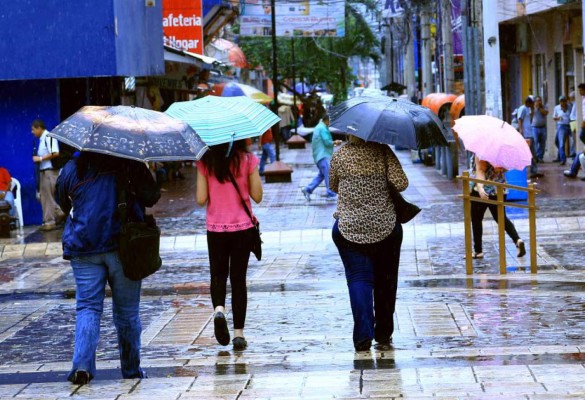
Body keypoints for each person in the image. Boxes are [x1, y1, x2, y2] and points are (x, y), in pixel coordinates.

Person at [56, 152, 160, 385]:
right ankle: (131, 370)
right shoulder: (129, 163)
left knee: (88, 307)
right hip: (123, 248)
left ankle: (82, 366)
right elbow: (151, 196)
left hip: (83, 246)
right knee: (127, 312)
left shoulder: (74, 167)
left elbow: (63, 200)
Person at [329, 136, 407, 352]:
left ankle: (362, 336)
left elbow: (333, 185)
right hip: (385, 225)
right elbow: (402, 183)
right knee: (385, 280)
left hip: (349, 228)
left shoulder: (340, 154)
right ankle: (383, 332)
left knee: (359, 279)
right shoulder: (383, 151)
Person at [196, 139, 263, 351]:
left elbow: (200, 198)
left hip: (215, 228)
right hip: (242, 228)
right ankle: (239, 334)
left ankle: (219, 310)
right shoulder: (247, 160)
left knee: (218, 274)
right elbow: (258, 196)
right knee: (238, 279)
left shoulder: (205, 162)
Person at [469, 155, 526, 259]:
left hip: (482, 191)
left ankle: (478, 250)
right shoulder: (501, 152)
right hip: (499, 189)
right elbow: (507, 168)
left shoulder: (481, 151)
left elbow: (480, 170)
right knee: (501, 218)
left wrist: (481, 188)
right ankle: (517, 240)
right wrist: (500, 168)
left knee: (476, 219)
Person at [31, 119, 67, 230]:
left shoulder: (49, 137)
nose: (32, 132)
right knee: (44, 197)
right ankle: (60, 212)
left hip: (50, 171)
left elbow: (55, 153)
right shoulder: (42, 139)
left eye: (33, 129)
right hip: (44, 171)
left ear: (39, 128)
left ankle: (49, 222)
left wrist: (40, 158)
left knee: (47, 197)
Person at [301, 114, 340, 201]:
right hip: (323, 155)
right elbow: (327, 142)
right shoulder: (322, 128)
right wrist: (335, 142)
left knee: (322, 175)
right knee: (328, 173)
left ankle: (308, 189)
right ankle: (331, 193)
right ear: (327, 120)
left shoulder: (320, 127)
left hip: (319, 156)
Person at [517, 96, 542, 178]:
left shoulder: (528, 109)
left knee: (532, 153)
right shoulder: (523, 109)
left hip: (530, 133)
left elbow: (530, 119)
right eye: (531, 104)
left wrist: (533, 110)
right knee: (527, 153)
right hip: (526, 134)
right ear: (528, 103)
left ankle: (533, 170)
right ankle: (522, 170)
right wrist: (521, 131)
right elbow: (520, 119)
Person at [564, 83, 585, 179]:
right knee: (580, 154)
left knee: (581, 138)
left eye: (581, 90)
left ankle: (573, 171)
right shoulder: (583, 99)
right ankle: (573, 171)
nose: (580, 92)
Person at [553, 95, 572, 166]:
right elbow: (554, 117)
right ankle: (560, 156)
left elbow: (572, 116)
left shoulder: (569, 107)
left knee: (561, 143)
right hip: (560, 126)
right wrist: (558, 118)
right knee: (557, 142)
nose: (563, 103)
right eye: (561, 101)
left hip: (568, 125)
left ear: (566, 101)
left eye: (564, 101)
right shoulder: (557, 108)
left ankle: (563, 159)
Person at [531, 96, 548, 162]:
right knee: (535, 142)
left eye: (540, 100)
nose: (539, 102)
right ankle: (535, 157)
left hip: (543, 127)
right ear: (535, 101)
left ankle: (540, 157)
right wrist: (535, 107)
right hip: (535, 127)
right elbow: (531, 114)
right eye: (537, 101)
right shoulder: (533, 107)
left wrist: (540, 108)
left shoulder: (544, 107)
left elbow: (545, 113)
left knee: (542, 143)